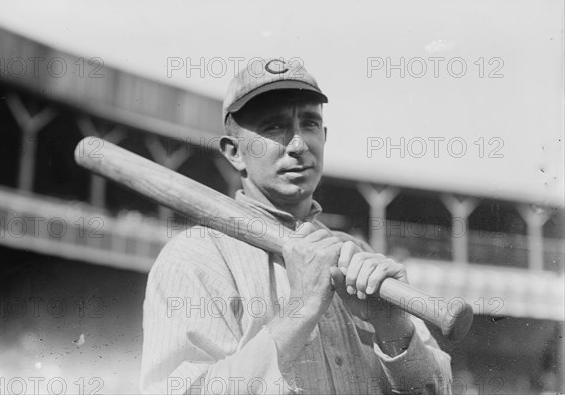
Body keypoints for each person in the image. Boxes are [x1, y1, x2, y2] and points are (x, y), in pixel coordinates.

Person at [141, 58, 452, 394]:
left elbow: (439, 389)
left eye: (310, 124)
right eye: (274, 126)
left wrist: (394, 332)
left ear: (325, 136)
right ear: (234, 153)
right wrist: (300, 309)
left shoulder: (359, 255)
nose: (299, 144)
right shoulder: (194, 258)